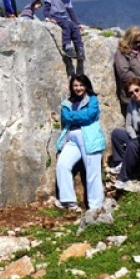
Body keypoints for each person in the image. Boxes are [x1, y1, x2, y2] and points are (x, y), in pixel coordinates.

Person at [54, 74, 106, 213]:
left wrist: (74, 117)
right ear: (72, 86)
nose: (78, 88)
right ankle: (68, 201)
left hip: (89, 138)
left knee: (92, 172)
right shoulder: (67, 102)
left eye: (81, 85)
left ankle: (95, 207)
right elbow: (65, 117)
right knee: (62, 165)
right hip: (71, 139)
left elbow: (90, 116)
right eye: (76, 85)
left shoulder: (92, 99)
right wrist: (79, 117)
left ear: (86, 85)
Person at [110, 77, 140, 192]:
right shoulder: (132, 104)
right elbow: (128, 124)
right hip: (136, 135)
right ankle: (121, 162)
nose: (135, 94)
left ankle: (123, 178)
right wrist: (134, 137)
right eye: (131, 93)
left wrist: (136, 140)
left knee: (133, 145)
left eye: (137, 90)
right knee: (116, 134)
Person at [114, 26, 140, 116]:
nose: (138, 45)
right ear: (129, 40)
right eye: (135, 42)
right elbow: (124, 73)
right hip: (132, 95)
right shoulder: (121, 53)